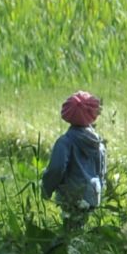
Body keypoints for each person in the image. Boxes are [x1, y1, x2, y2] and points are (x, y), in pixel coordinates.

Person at [41, 91, 107, 226]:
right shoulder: (97, 143)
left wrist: (46, 190)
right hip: (93, 193)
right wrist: (99, 190)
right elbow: (102, 171)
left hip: (72, 194)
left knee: (70, 228)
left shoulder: (65, 142)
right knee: (83, 227)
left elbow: (56, 168)